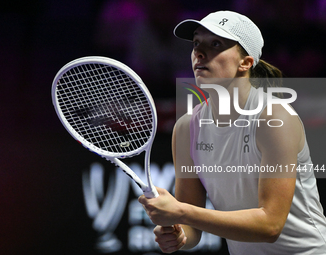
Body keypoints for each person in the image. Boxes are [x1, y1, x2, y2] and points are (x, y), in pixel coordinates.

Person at [138, 10, 326, 254]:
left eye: (216, 43)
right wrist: (179, 233)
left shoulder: (274, 118)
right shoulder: (186, 128)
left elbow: (270, 225)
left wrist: (181, 211)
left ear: (245, 62)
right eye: (196, 43)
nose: (199, 52)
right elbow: (191, 227)